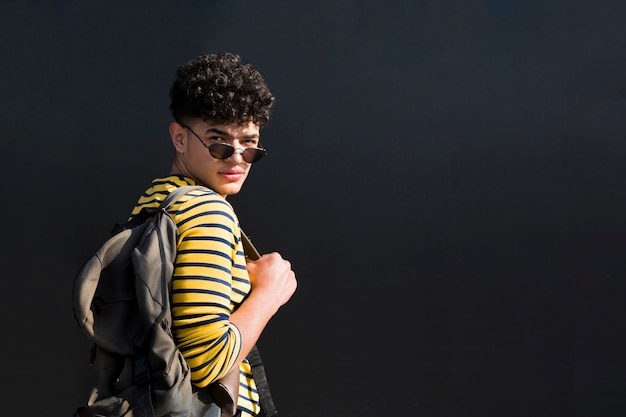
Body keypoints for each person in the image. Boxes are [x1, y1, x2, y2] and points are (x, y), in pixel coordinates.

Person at [127, 52, 297, 417]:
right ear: (179, 137)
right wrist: (270, 292)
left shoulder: (155, 201)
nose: (236, 158)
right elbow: (207, 363)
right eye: (218, 141)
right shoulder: (207, 210)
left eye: (249, 144)